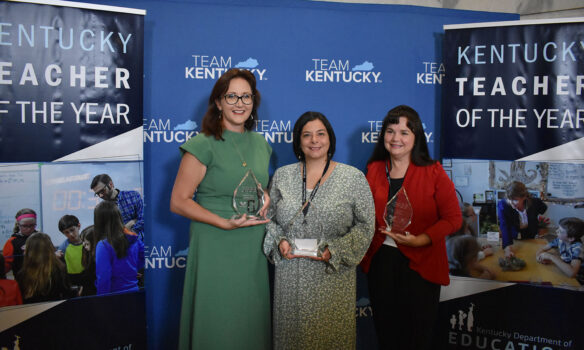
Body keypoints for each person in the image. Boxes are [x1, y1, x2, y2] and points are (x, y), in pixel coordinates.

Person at [170, 68, 272, 350]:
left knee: (248, 319)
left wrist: (265, 196)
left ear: (253, 102)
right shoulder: (202, 144)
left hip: (251, 243)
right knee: (218, 321)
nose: (240, 103)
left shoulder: (261, 143)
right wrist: (223, 223)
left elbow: (255, 183)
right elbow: (179, 200)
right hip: (215, 241)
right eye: (232, 96)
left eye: (246, 97)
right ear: (218, 102)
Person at [263, 111, 374, 349]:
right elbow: (268, 219)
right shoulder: (282, 176)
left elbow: (366, 225)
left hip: (332, 278)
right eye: (307, 135)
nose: (314, 140)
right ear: (298, 142)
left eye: (320, 134)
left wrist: (335, 250)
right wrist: (280, 240)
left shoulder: (353, 178)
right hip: (290, 278)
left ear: (330, 139)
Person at [360, 105, 462, 350]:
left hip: (421, 264)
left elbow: (453, 218)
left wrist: (422, 239)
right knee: (386, 334)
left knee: (415, 338)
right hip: (381, 262)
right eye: (390, 131)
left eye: (404, 132)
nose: (396, 138)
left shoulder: (434, 171)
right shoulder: (373, 169)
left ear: (416, 137)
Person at [94, 201, 144, 295]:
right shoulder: (134, 239)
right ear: (118, 217)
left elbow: (104, 278)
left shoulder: (103, 245)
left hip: (114, 298)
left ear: (99, 221)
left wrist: (101, 301)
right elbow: (145, 256)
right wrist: (131, 270)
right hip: (135, 293)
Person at [16, 232, 74, 304]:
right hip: (56, 310)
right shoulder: (60, 268)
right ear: (50, 248)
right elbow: (67, 294)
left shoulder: (22, 274)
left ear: (29, 250)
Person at [497, 181, 547, 258]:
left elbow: (543, 208)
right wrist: (507, 248)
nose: (512, 203)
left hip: (530, 236)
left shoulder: (534, 202)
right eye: (509, 199)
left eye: (515, 200)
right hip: (512, 238)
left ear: (524, 197)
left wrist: (539, 226)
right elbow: (504, 225)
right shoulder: (503, 205)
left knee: (530, 256)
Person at [91, 174, 144, 239]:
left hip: (140, 243)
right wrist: (130, 224)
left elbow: (143, 219)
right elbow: (103, 233)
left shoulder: (133, 196)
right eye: (97, 194)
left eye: (102, 191)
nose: (100, 196)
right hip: (118, 247)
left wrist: (122, 232)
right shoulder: (102, 210)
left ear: (111, 184)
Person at [536, 217, 584, 282]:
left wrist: (551, 257)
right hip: (564, 269)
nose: (556, 231)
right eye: (558, 228)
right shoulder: (560, 240)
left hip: (578, 279)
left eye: (560, 231)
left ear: (571, 238)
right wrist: (539, 258)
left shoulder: (577, 248)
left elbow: (572, 273)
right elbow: (542, 249)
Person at [3, 208, 38, 275]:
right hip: (22, 281)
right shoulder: (12, 242)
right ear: (18, 225)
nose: (29, 229)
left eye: (32, 225)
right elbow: (6, 266)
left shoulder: (42, 238)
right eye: (25, 226)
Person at [55, 215, 85, 288]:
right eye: (66, 232)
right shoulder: (63, 247)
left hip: (88, 275)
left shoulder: (87, 242)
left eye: (72, 230)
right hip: (72, 279)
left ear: (79, 226)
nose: (71, 234)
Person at [79, 225, 98, 296]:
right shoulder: (88, 254)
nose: (83, 245)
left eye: (86, 243)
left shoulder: (98, 259)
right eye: (83, 241)